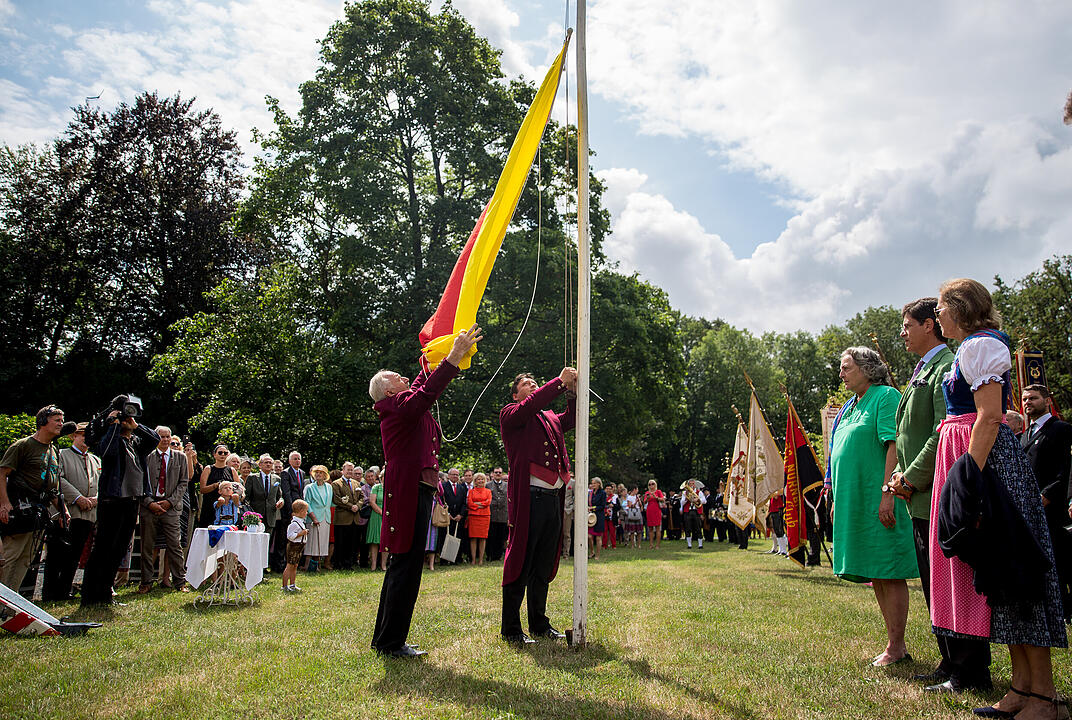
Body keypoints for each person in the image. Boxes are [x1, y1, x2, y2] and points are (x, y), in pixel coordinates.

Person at [929, 279, 1067, 719]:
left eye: (941, 309)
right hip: (987, 459)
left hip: (993, 467)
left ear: (959, 309)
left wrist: (968, 476)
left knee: (1017, 571)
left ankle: (1044, 697)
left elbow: (987, 417)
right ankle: (1021, 688)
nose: (937, 317)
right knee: (1002, 579)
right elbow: (995, 410)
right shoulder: (973, 347)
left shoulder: (978, 346)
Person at [886, 297, 991, 693]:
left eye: (908, 324)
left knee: (953, 581)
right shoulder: (922, 369)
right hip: (917, 493)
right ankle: (949, 660)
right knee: (934, 583)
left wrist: (911, 477)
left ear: (930, 324)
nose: (903, 332)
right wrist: (900, 474)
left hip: (938, 490)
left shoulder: (948, 364)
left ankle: (970, 667)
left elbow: (939, 431)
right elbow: (906, 434)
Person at [368, 324, 482, 658]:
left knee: (403, 564)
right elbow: (425, 394)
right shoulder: (399, 407)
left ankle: (386, 639)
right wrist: (453, 357)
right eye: (395, 375)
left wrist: (433, 355)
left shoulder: (398, 403)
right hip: (409, 491)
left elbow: (421, 382)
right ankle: (391, 642)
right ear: (388, 391)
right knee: (406, 565)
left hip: (414, 489)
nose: (402, 376)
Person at [829, 346, 917, 667]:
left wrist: (886, 493)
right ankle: (895, 644)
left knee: (889, 569)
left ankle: (897, 646)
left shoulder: (885, 396)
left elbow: (894, 444)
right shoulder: (851, 404)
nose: (841, 373)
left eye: (846, 367)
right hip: (855, 501)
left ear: (866, 368)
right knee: (877, 572)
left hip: (879, 498)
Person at [499, 367, 577, 644]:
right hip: (529, 498)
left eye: (535, 383)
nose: (533, 386)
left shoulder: (548, 417)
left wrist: (571, 394)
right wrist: (558, 383)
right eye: (526, 384)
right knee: (521, 562)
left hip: (551, 500)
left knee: (542, 565)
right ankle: (510, 628)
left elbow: (571, 419)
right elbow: (531, 406)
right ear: (515, 393)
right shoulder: (511, 413)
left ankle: (539, 624)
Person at [81, 403, 159, 607]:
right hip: (112, 500)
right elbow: (106, 451)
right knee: (104, 548)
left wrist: (136, 425)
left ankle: (105, 593)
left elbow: (155, 439)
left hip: (132, 500)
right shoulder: (110, 439)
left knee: (119, 549)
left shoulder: (136, 442)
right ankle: (91, 596)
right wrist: (113, 424)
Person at [0, 405, 69, 593]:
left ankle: (9, 605)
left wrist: (62, 509)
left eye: (61, 420)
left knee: (25, 560)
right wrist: (4, 504)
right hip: (19, 509)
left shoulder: (53, 450)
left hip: (38, 512)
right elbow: (2, 473)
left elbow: (52, 486)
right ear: (43, 422)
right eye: (57, 420)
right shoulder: (22, 446)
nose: (61, 424)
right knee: (10, 558)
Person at [1021, 384, 1072, 624]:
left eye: (1033, 398)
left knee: (1061, 561)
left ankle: (1066, 611)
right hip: (1030, 509)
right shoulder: (1024, 434)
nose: (1028, 402)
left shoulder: (1061, 429)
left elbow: (1066, 469)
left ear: (1047, 401)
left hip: (1054, 508)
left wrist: (1047, 496)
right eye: (1025, 399)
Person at [44, 422, 99, 601]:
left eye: (88, 434)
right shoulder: (61, 455)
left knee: (75, 555)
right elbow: (57, 479)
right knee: (57, 554)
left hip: (88, 514)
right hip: (67, 512)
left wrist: (95, 499)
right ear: (73, 436)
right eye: (82, 434)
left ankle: (65, 590)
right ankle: (51, 593)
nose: (85, 438)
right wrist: (78, 498)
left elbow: (101, 482)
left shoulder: (96, 460)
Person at [136, 426, 189, 594]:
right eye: (162, 437)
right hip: (149, 506)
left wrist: (170, 502)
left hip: (171, 508)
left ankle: (180, 581)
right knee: (148, 546)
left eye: (168, 437)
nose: (165, 440)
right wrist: (149, 502)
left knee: (174, 545)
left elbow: (183, 482)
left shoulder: (180, 458)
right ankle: (146, 582)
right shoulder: (146, 457)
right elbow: (139, 481)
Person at [246, 454, 283, 567]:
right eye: (265, 462)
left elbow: (279, 496)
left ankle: (262, 567)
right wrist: (250, 513)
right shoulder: (253, 478)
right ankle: (251, 566)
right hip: (255, 516)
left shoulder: (277, 479)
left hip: (271, 515)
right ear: (260, 465)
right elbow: (247, 497)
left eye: (270, 463)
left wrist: (281, 502)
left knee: (267, 542)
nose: (268, 464)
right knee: (254, 543)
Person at [331, 462, 363, 570]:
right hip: (342, 519)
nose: (350, 472)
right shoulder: (336, 484)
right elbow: (337, 499)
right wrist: (351, 506)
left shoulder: (357, 484)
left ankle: (348, 564)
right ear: (343, 470)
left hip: (354, 518)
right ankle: (338, 564)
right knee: (341, 542)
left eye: (351, 470)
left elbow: (362, 497)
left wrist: (358, 506)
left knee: (352, 543)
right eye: (348, 470)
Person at [303, 465, 332, 571]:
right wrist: (313, 517)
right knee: (312, 542)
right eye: (317, 473)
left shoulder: (329, 487)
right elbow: (307, 503)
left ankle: (317, 565)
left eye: (321, 473)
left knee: (322, 542)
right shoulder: (309, 487)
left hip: (325, 517)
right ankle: (307, 565)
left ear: (325, 475)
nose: (319, 474)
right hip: (313, 517)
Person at [283, 499, 309, 593]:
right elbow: (290, 536)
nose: (306, 513)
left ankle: (292, 584)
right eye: (306, 511)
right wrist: (301, 534)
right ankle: (284, 585)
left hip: (299, 547)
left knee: (295, 565)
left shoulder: (300, 522)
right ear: (301, 511)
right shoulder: (294, 524)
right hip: (294, 546)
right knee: (289, 565)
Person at [466, 472, 491, 565]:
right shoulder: (471, 491)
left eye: (482, 479)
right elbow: (469, 503)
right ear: (475, 481)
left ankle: (480, 560)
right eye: (478, 479)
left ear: (484, 480)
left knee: (483, 538)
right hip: (473, 517)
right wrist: (479, 505)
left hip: (485, 517)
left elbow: (488, 502)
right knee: (473, 538)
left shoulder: (488, 491)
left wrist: (476, 504)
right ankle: (473, 560)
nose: (480, 481)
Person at [487, 467, 508, 562]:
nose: (498, 474)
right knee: (491, 536)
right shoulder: (488, 485)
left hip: (503, 514)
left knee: (501, 536)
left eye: (500, 472)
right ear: (493, 474)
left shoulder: (507, 485)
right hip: (491, 514)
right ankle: (490, 555)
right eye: (496, 472)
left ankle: (498, 556)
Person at [367, 472, 385, 571]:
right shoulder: (376, 487)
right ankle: (373, 564)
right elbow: (372, 502)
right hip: (376, 515)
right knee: (375, 540)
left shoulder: (393, 486)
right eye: (384, 476)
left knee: (386, 540)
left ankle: (383, 565)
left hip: (388, 516)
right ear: (381, 477)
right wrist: (381, 512)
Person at [680, 479, 706, 550]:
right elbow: (682, 503)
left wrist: (697, 500)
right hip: (688, 511)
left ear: (695, 485)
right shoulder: (685, 492)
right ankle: (689, 545)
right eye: (690, 484)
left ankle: (700, 545)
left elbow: (704, 501)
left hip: (696, 511)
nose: (691, 485)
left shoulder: (699, 492)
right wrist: (687, 498)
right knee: (688, 528)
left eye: (693, 484)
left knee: (698, 528)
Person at [588, 477, 606, 560]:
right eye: (592, 483)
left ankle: (598, 555)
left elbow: (603, 506)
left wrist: (593, 508)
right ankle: (592, 552)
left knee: (598, 537)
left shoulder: (602, 493)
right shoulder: (590, 493)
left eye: (594, 483)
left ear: (599, 483)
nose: (593, 485)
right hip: (590, 517)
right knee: (589, 536)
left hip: (599, 516)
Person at [643, 480, 665, 549]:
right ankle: (651, 544)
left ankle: (657, 545)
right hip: (649, 511)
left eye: (652, 484)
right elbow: (644, 502)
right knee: (650, 528)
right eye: (649, 484)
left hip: (657, 510)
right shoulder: (647, 493)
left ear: (655, 485)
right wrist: (647, 498)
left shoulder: (658, 491)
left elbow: (663, 499)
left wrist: (656, 498)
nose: (651, 485)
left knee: (658, 528)